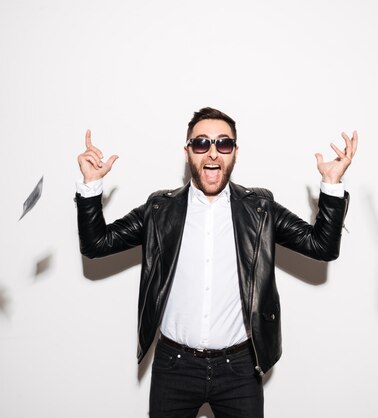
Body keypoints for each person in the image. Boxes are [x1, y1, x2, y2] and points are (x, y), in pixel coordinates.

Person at [75, 107, 357, 418]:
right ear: (187, 152)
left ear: (235, 152)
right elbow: (97, 245)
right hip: (174, 367)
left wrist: (331, 184)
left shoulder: (260, 209)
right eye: (201, 143)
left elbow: (321, 247)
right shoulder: (159, 210)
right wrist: (90, 187)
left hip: (239, 370)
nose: (212, 152)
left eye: (223, 143)